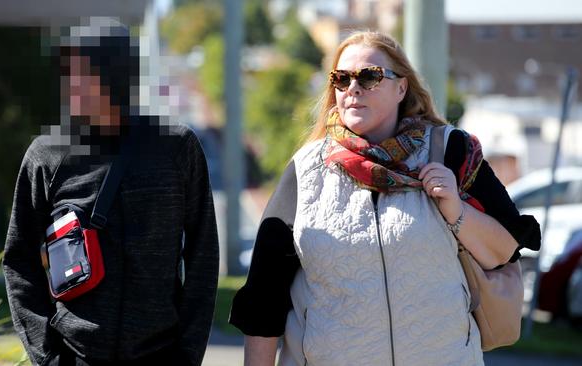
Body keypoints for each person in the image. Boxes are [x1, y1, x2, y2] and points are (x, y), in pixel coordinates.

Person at [229, 31, 541, 366]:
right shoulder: (305, 171)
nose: (353, 88)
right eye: (341, 78)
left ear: (401, 88)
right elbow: (264, 300)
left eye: (369, 76)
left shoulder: (450, 152)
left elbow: (504, 251)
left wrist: (456, 210)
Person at [2, 19, 219, 365]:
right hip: (75, 356)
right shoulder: (47, 155)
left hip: (161, 355)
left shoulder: (176, 148)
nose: (70, 84)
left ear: (114, 74)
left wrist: (186, 356)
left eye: (81, 73)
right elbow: (19, 262)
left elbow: (202, 258)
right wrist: (47, 357)